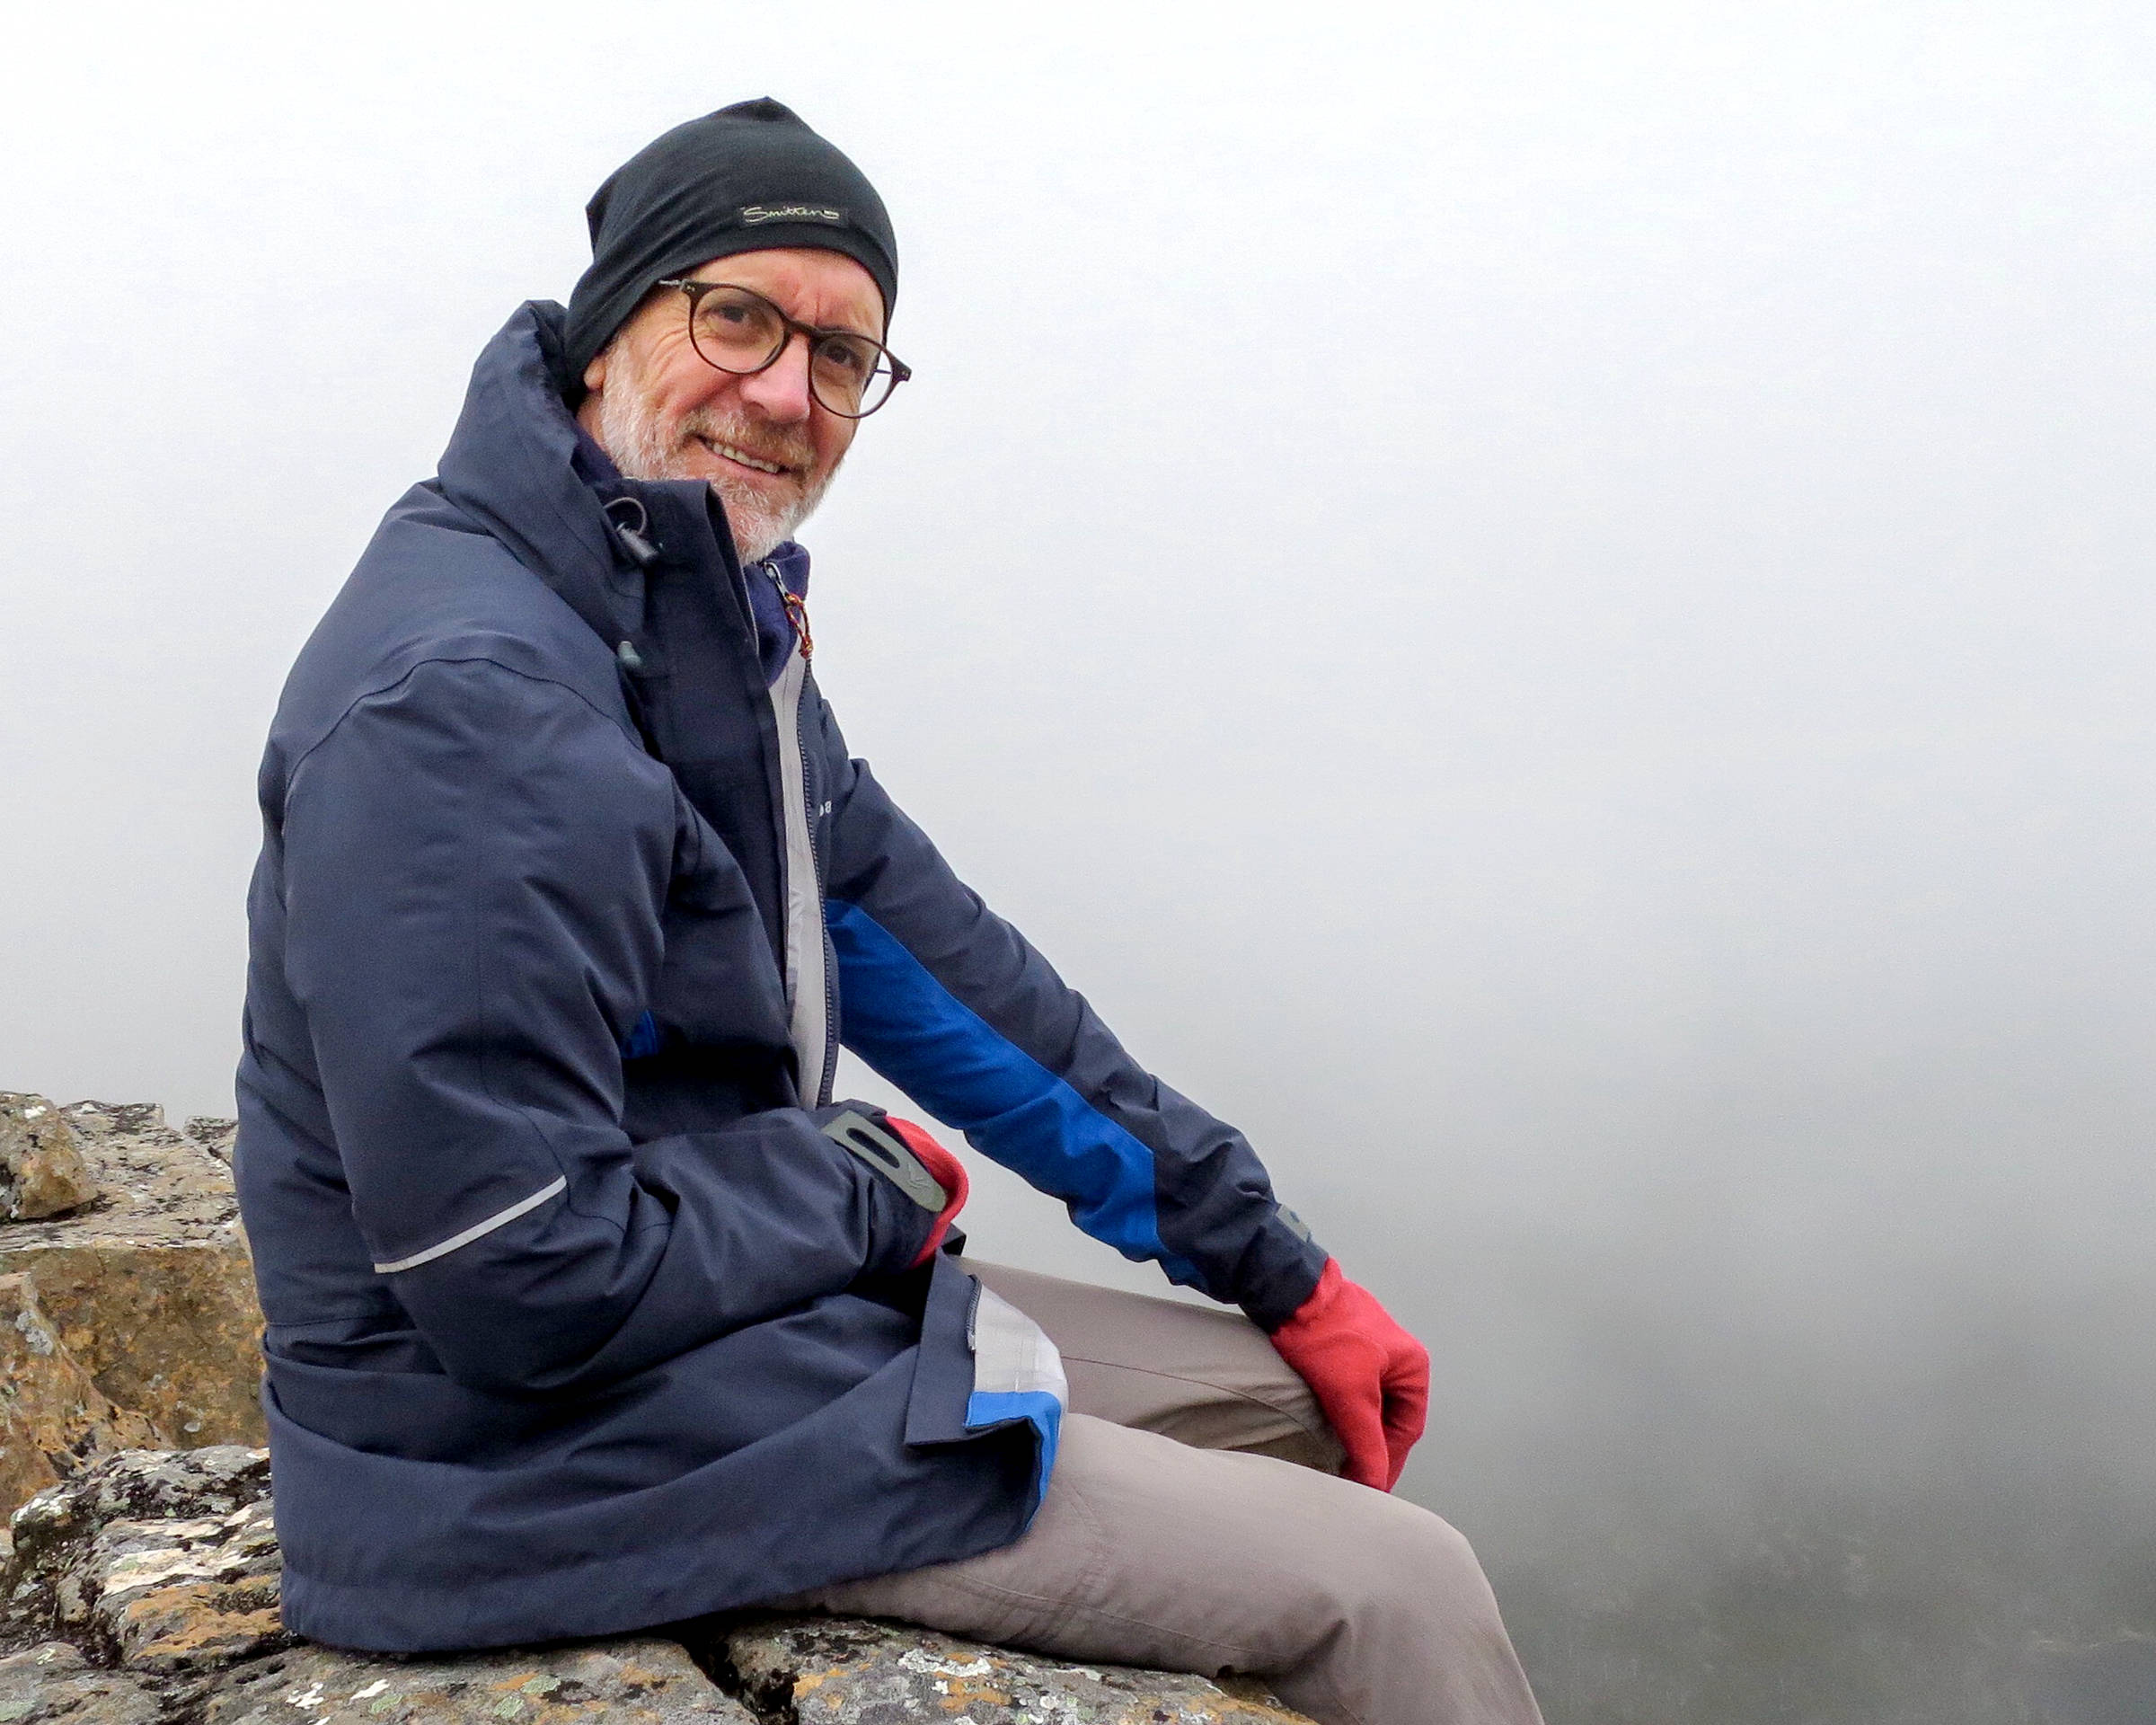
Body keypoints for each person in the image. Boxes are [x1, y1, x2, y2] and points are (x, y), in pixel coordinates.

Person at [234, 99, 1544, 1725]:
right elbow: (514, 1274)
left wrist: (1276, 1266)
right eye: (738, 317)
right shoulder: (479, 698)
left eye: (844, 356)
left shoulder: (692, 624)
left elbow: (953, 977)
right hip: (526, 1461)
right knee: (1402, 1585)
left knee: (1279, 1402)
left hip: (716, 1354)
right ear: (606, 328)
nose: (787, 394)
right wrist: (852, 1185)